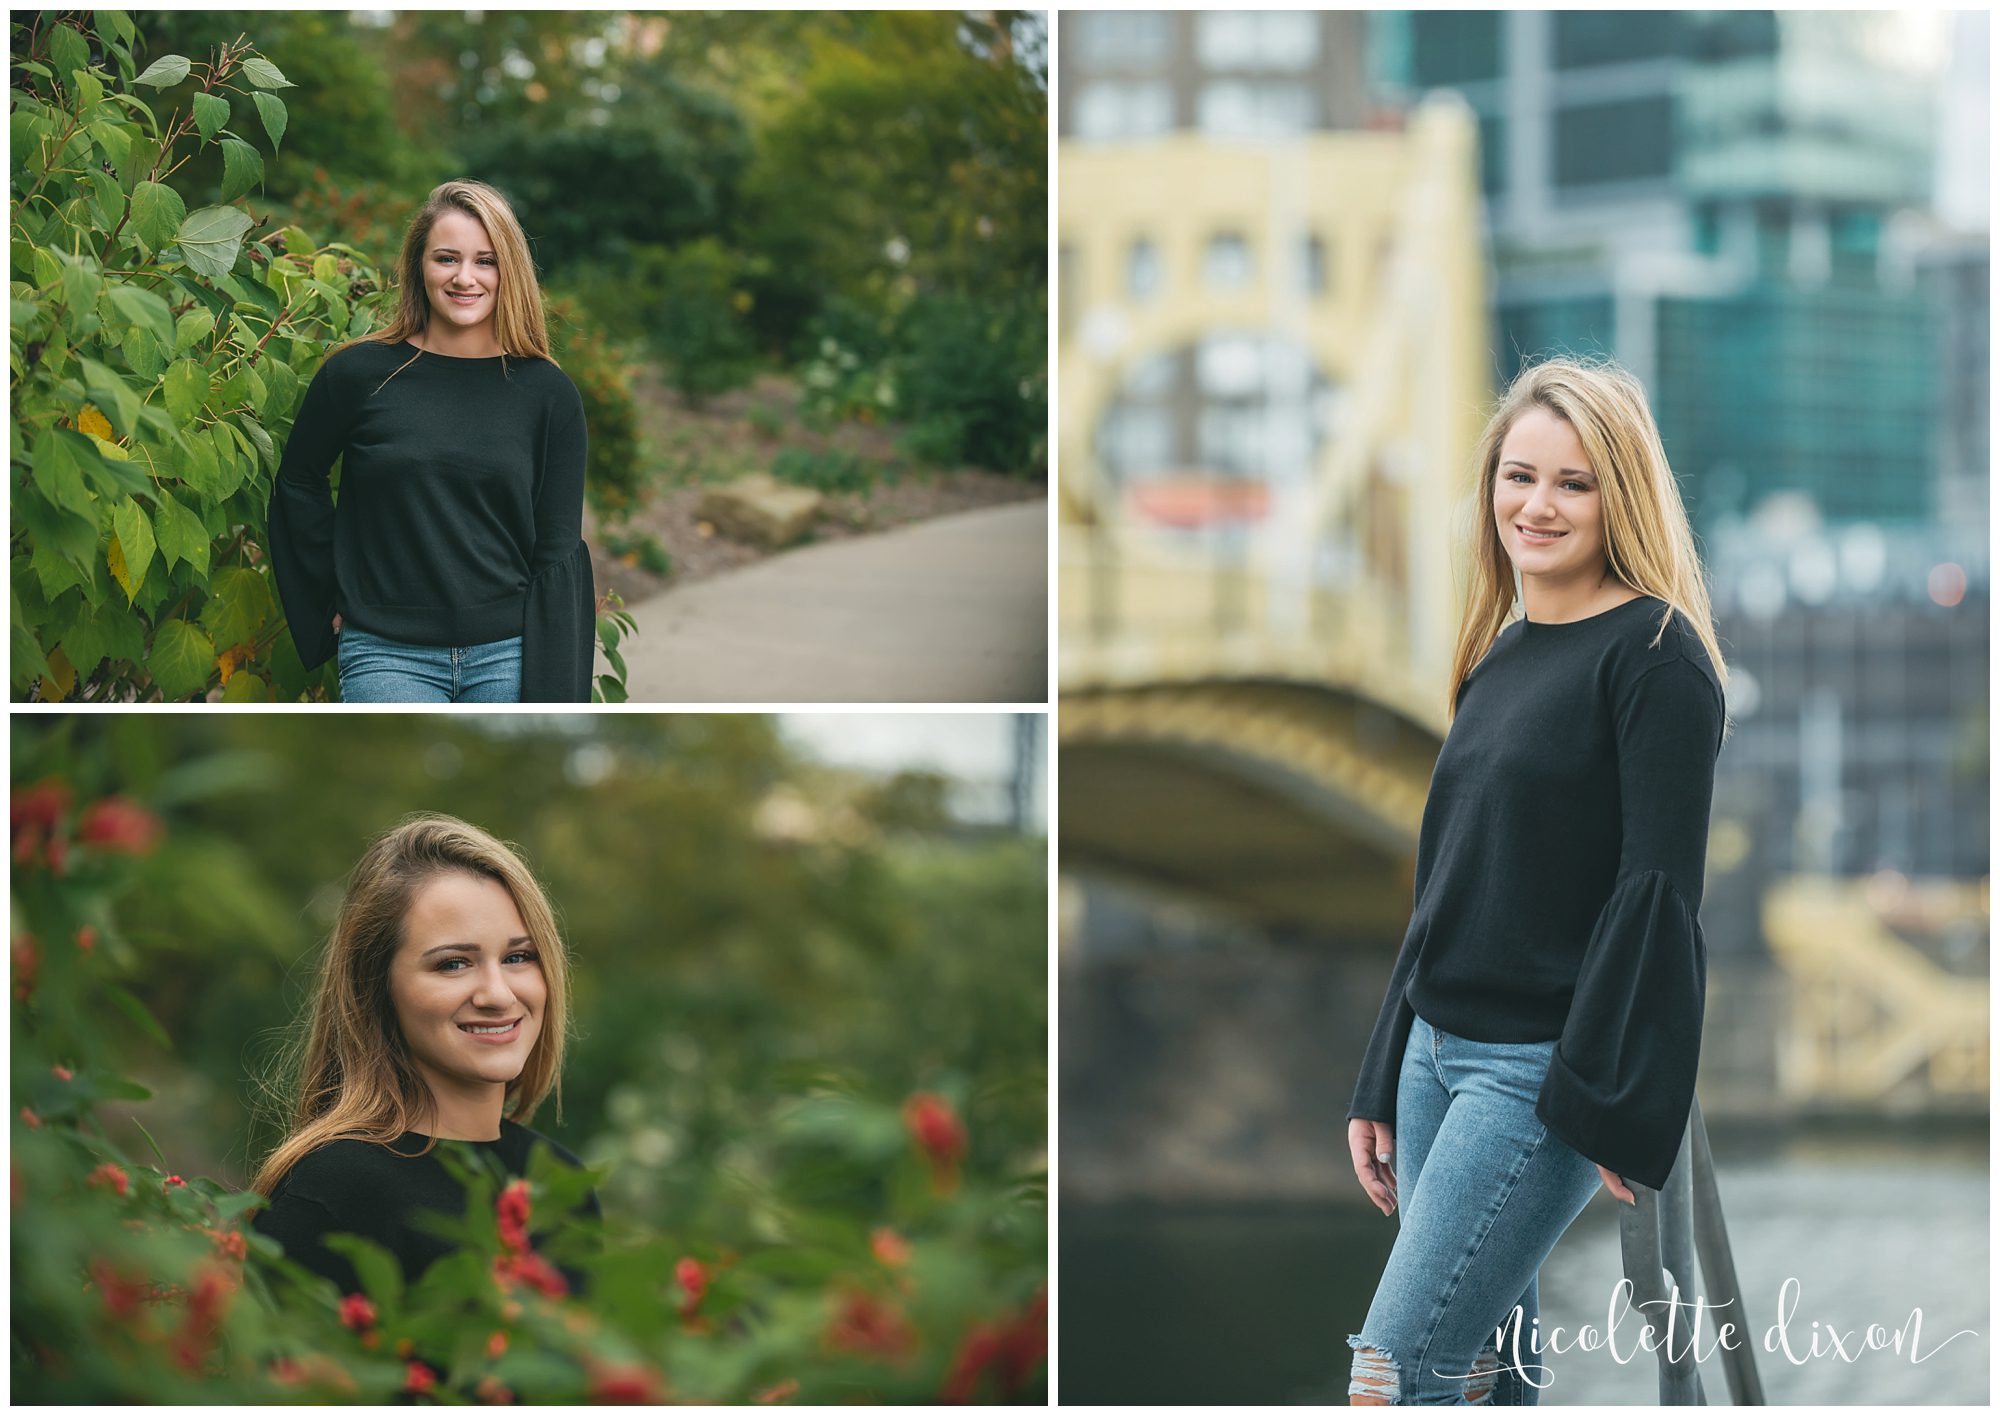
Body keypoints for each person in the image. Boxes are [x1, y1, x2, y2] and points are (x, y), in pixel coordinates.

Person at [1343, 358, 1730, 1405]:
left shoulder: (1655, 657)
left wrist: (1615, 1098)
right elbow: (1448, 885)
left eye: (1573, 482)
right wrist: (1381, 1069)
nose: (1537, 505)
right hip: (1432, 1059)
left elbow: (1654, 895)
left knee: (1387, 1373)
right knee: (1479, 1384)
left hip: (1534, 1079)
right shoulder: (1496, 653)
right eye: (1518, 476)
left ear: (1622, 496)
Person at [266, 179, 595, 703]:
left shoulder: (548, 394)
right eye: (447, 258)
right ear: (419, 265)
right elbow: (299, 482)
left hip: (509, 651)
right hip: (386, 650)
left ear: (508, 271)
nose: (465, 278)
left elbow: (557, 553)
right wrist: (328, 590)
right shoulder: (359, 374)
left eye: (485, 261)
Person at [251, 814, 599, 1301]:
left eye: (519, 956)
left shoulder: (561, 1184)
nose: (498, 994)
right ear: (375, 988)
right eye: (453, 963)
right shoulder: (334, 1190)